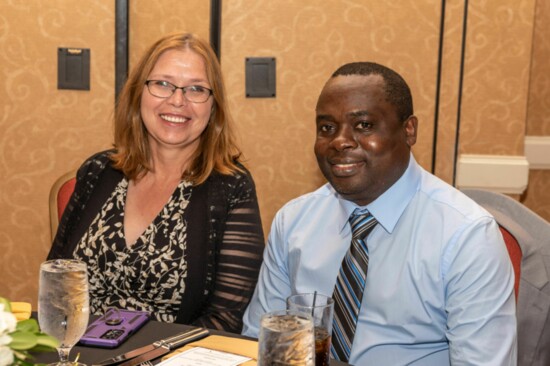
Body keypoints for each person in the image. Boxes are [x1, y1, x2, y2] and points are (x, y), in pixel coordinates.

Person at [242, 62, 517, 364]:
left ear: (409, 130)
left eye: (364, 125)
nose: (339, 141)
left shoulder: (466, 236)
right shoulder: (293, 221)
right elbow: (258, 342)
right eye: (326, 128)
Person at [47, 33, 265, 333]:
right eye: (162, 84)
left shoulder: (231, 187)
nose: (178, 100)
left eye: (196, 89)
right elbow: (55, 283)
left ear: (213, 106)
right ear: (139, 92)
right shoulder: (98, 170)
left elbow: (225, 318)